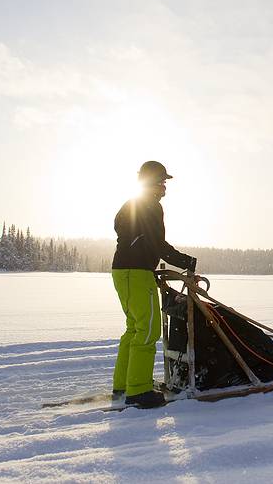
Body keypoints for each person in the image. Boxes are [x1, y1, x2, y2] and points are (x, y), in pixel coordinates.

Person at [111, 160, 196, 408]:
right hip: (136, 273)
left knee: (134, 329)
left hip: (122, 272)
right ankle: (138, 392)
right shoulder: (150, 207)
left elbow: (125, 229)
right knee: (148, 331)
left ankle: (123, 386)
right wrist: (186, 262)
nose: (164, 187)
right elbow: (158, 245)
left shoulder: (132, 204)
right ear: (152, 182)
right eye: (162, 182)